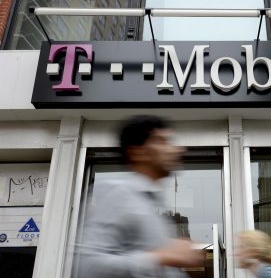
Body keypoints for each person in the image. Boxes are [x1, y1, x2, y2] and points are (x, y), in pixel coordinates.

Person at [77, 115, 204, 278]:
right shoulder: (117, 195)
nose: (177, 149)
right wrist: (161, 257)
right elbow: (89, 265)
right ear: (137, 152)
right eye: (162, 141)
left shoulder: (153, 204)